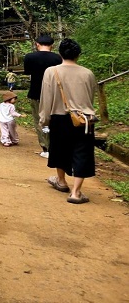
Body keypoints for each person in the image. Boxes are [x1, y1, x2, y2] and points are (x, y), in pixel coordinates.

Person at [38, 38, 98, 204]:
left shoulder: (51, 71)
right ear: (78, 54)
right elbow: (90, 98)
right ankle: (76, 192)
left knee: (60, 149)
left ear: (60, 53)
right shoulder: (88, 73)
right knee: (82, 153)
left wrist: (44, 119)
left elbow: (46, 98)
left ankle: (62, 181)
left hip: (59, 118)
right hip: (83, 120)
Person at [23, 34, 62, 158]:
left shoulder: (29, 57)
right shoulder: (58, 58)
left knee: (40, 120)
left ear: (37, 44)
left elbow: (28, 72)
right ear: (52, 45)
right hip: (54, 94)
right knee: (54, 120)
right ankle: (55, 146)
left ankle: (46, 147)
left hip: (36, 93)